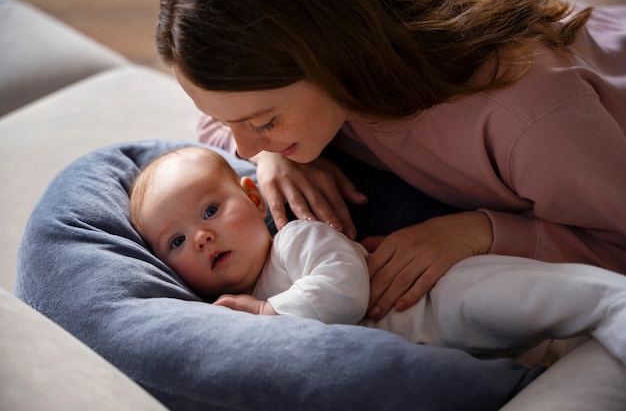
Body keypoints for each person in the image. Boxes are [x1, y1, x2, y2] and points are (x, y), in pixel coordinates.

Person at [156, 0, 626, 322]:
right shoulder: (334, 80)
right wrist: (277, 158)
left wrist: (481, 232)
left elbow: (617, 244)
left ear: (336, 60)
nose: (242, 148)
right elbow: (224, 123)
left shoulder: (531, 118)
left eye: (263, 122)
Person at [128, 146, 626, 367]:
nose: (201, 238)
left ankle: (613, 303)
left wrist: (270, 313)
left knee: (561, 298)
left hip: (439, 298)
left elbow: (346, 288)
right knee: (545, 343)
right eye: (176, 242)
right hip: (443, 351)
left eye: (211, 211)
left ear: (255, 199)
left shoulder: (295, 241)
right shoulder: (229, 310)